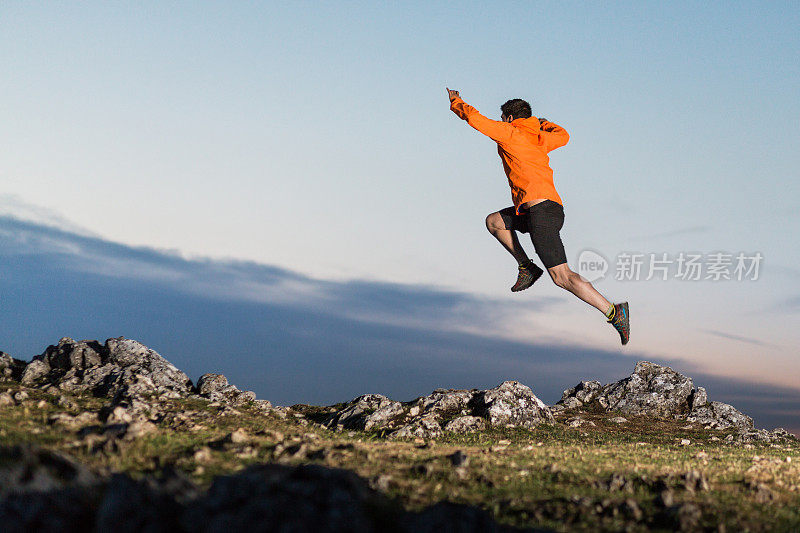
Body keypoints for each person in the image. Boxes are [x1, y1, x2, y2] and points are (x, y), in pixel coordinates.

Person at [446, 88, 629, 345]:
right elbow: (563, 135)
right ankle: (527, 267)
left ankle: (613, 312)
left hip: (540, 212)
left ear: (509, 118)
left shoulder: (510, 132)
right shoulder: (541, 137)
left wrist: (456, 101)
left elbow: (476, 120)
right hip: (543, 210)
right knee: (494, 222)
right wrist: (543, 123)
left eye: (503, 118)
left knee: (562, 277)